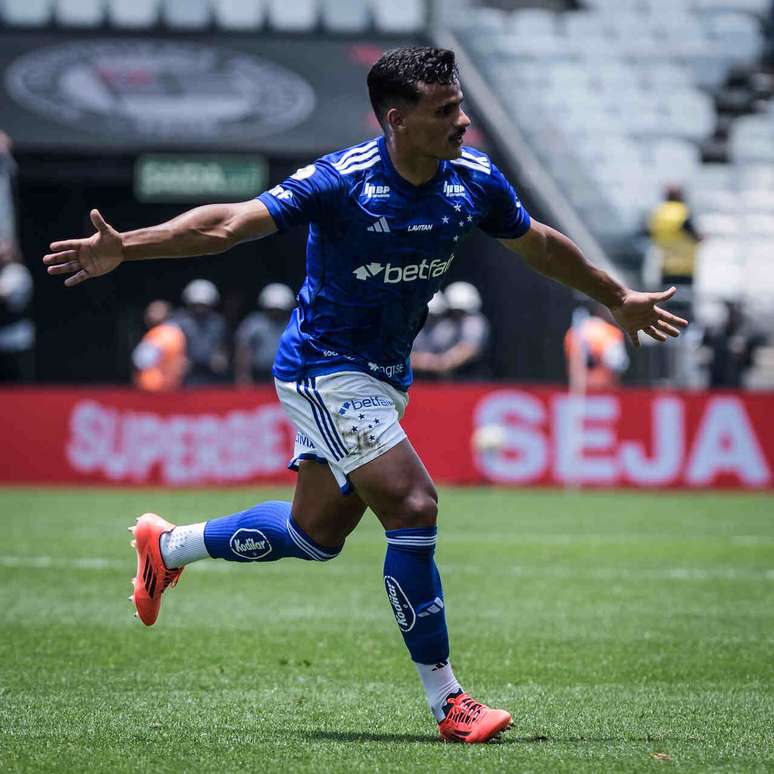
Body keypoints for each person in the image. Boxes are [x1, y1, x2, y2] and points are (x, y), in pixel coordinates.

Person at [43, 47, 688, 743]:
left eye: (460, 105)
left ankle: (167, 548)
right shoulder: (340, 180)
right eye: (445, 111)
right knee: (414, 503)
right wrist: (127, 247)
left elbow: (535, 244)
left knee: (314, 536)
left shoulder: (472, 178)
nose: (462, 122)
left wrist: (616, 297)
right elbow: (227, 225)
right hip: (323, 368)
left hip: (383, 375)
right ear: (396, 119)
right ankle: (450, 701)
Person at [235, 282, 295, 385]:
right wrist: (243, 375)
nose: (275, 313)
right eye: (272, 309)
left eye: (279, 310)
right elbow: (244, 349)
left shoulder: (293, 325)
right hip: (258, 374)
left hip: (287, 375)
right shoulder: (254, 323)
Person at [174, 279, 229, 386]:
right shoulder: (178, 322)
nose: (200, 308)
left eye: (204, 305)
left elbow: (222, 345)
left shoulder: (218, 322)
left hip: (211, 372)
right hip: (185, 374)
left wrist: (221, 357)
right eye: (196, 305)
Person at [647, 184, 702, 290]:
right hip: (685, 267)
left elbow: (650, 233)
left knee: (667, 298)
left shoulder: (658, 213)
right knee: (684, 300)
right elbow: (693, 234)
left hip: (665, 265)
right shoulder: (682, 211)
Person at [564, 305, 629, 391]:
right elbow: (617, 365)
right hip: (605, 389)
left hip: (580, 389)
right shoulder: (612, 333)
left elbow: (571, 362)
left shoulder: (576, 330)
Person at [132, 300, 186, 392]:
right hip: (171, 387)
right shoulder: (177, 332)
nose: (150, 314)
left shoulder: (158, 334)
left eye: (156, 311)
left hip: (153, 387)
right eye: (150, 310)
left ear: (167, 313)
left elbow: (141, 361)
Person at [0, 239, 35, 382]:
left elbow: (3, 294)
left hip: (17, 340)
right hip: (4, 340)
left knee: (16, 385)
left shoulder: (17, 272)